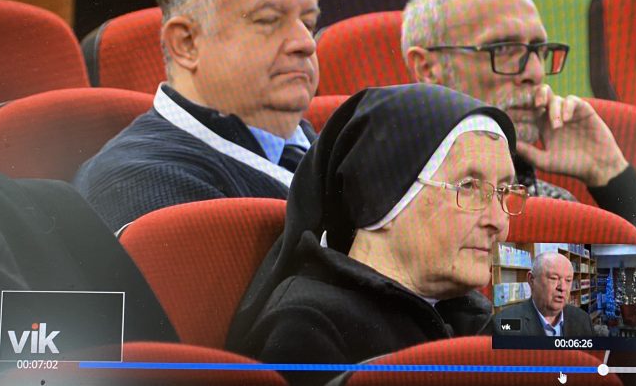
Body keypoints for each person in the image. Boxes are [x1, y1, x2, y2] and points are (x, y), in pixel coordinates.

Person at [226, 83, 528, 385]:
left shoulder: (477, 312)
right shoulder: (307, 327)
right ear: (384, 198)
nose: (498, 221)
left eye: (504, 191)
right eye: (469, 187)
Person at [74, 0, 320, 231]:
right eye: (269, 20)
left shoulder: (325, 150)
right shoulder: (139, 182)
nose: (305, 43)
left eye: (308, 22)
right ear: (186, 43)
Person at [401, 0, 636, 242]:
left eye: (538, 50)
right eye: (502, 49)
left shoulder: (551, 205)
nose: (535, 72)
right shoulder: (392, 203)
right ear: (427, 68)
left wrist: (610, 173)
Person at [492, 252, 594, 337]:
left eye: (568, 280)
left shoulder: (583, 320)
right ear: (531, 280)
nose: (562, 287)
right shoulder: (504, 323)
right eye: (554, 278)